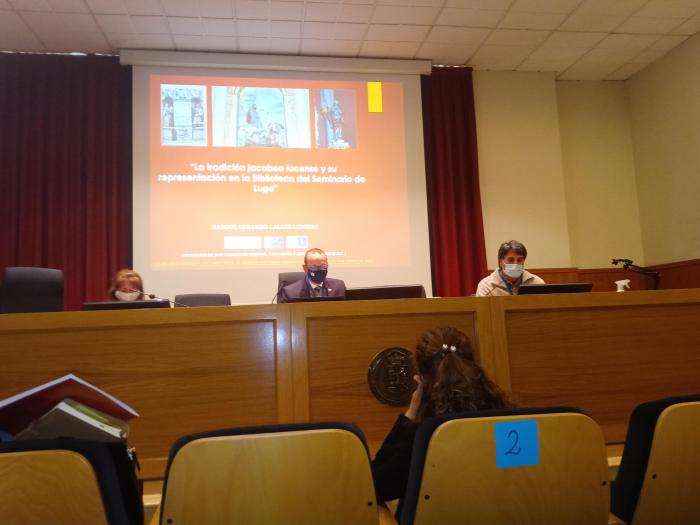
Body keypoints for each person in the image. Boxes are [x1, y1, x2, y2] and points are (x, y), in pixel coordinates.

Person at [371, 327, 511, 510]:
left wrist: (411, 414)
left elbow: (377, 486)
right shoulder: (511, 424)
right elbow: (525, 476)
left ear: (421, 380)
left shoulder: (421, 434)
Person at [475, 240, 545, 296]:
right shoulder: (486, 286)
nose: (515, 264)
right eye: (511, 260)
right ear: (500, 262)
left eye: (519, 260)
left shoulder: (537, 283)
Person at [277, 248, 346, 303]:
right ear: (305, 268)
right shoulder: (290, 292)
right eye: (314, 267)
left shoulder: (339, 286)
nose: (319, 270)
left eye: (323, 266)